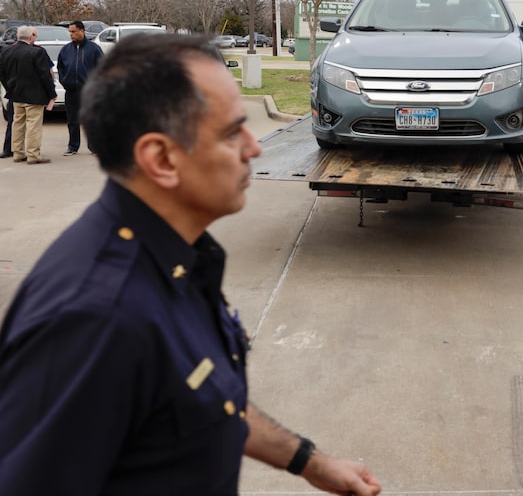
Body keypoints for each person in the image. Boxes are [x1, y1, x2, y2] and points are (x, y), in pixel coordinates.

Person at [0, 34, 383, 496]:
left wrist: (311, 462)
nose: (254, 147)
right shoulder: (95, 318)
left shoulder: (176, 254)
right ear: (161, 159)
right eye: (230, 132)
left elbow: (205, 396)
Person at [2, 25, 56, 164]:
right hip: (34, 96)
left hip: (15, 94)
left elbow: (2, 74)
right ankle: (33, 155)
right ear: (31, 36)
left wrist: (9, 88)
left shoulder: (6, 51)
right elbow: (45, 75)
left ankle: (18, 153)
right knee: (33, 125)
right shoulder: (36, 52)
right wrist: (52, 93)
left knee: (17, 123)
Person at [57, 20, 104, 155]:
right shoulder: (66, 50)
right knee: (72, 120)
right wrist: (63, 80)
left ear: (82, 31)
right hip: (71, 90)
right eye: (70, 32)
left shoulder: (93, 49)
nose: (71, 34)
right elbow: (61, 67)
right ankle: (73, 146)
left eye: (73, 31)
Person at [0, 32, 17, 158]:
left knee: (14, 122)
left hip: (15, 92)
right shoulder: (5, 52)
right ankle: (11, 149)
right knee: (15, 122)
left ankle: (10, 149)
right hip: (17, 93)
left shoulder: (5, 51)